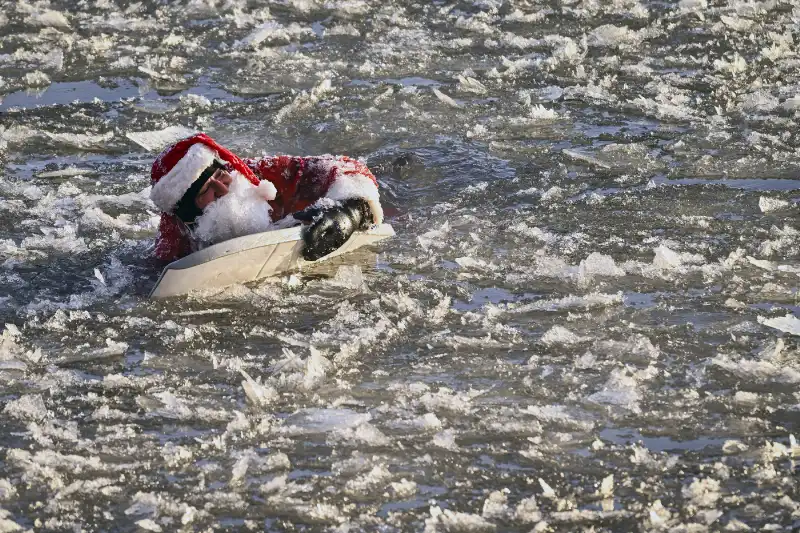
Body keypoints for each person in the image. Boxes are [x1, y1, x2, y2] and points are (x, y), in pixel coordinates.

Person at [149, 133, 383, 262]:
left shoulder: (263, 175)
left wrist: (352, 210)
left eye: (221, 175)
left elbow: (345, 166)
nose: (223, 188)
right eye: (206, 191)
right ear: (190, 214)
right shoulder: (176, 236)